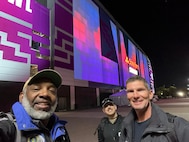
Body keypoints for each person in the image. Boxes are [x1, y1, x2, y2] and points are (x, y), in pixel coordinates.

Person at [0, 69, 70, 142]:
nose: (45, 94)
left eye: (52, 90)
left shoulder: (60, 128)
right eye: (36, 89)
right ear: (22, 97)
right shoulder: (6, 127)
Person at [119, 75, 189, 142]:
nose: (135, 95)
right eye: (131, 91)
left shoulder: (177, 126)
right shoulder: (126, 125)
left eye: (140, 90)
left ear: (150, 94)